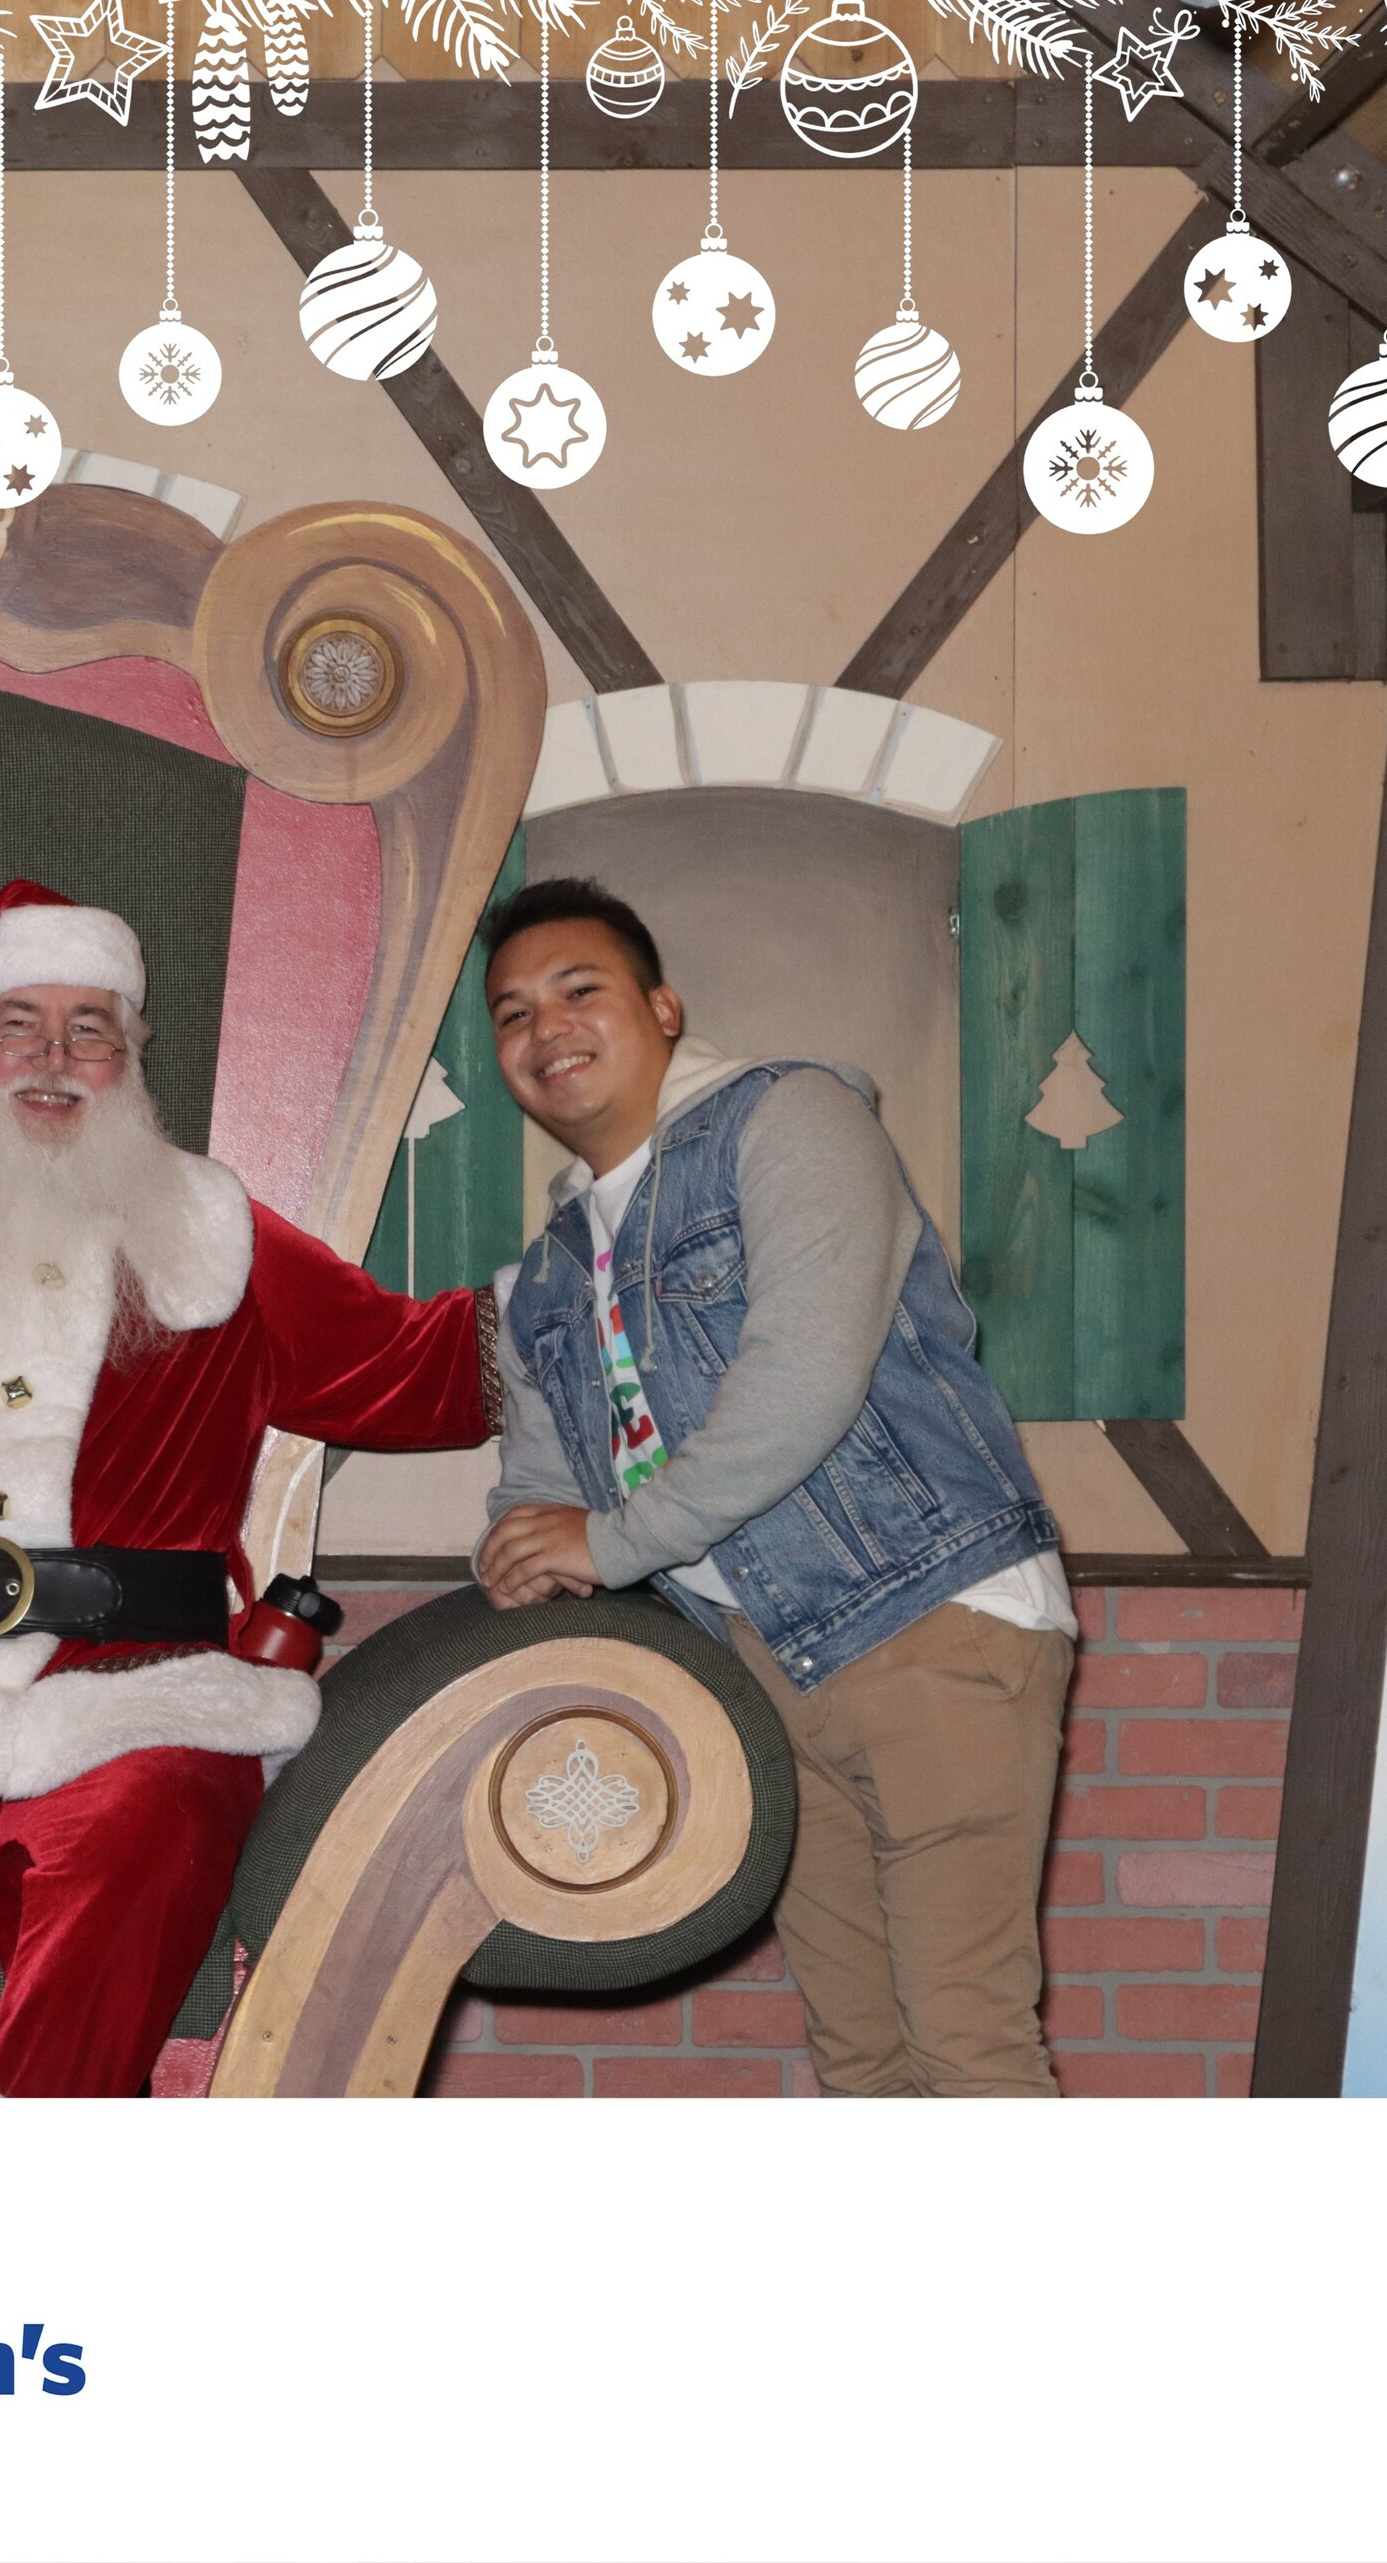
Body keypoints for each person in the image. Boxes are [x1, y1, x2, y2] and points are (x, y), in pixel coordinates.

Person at [0, 882, 494, 2096]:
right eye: (18, 1023)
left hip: (135, 1694)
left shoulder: (216, 1236)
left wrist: (633, 1275)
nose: (56, 1059)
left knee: (153, 1827)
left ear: (131, 1060)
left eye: (92, 1030)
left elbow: (421, 1370)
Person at [472, 877, 1074, 2097]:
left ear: (663, 1008)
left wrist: (611, 1543)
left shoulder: (790, 1116)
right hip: (754, 1666)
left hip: (929, 1618)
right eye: (513, 1013)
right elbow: (537, 1488)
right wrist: (516, 1556)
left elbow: (803, 1376)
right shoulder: (538, 1280)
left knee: (966, 2044)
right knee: (858, 2058)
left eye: (579, 990)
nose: (546, 1028)